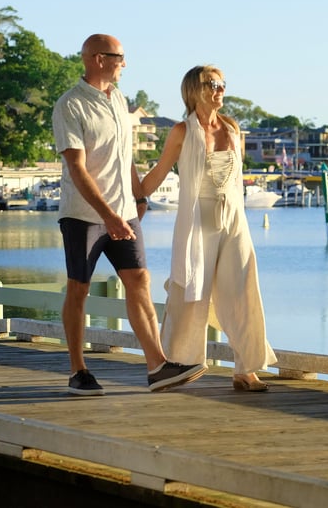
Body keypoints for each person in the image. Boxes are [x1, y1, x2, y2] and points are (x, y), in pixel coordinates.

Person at [52, 34, 206, 395]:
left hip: (124, 212)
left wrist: (138, 195)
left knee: (139, 280)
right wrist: (108, 216)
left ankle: (158, 366)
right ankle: (78, 370)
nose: (125, 63)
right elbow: (77, 168)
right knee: (79, 288)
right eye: (119, 56)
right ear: (98, 59)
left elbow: (125, 156)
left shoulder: (119, 99)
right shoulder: (70, 105)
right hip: (83, 215)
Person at [141, 65, 277, 391]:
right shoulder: (181, 131)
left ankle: (246, 369)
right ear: (195, 90)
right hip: (197, 219)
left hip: (233, 218)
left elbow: (235, 180)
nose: (220, 89)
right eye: (212, 84)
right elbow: (159, 172)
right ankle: (176, 364)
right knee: (190, 290)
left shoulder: (231, 127)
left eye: (222, 84)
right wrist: (132, 199)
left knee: (242, 289)